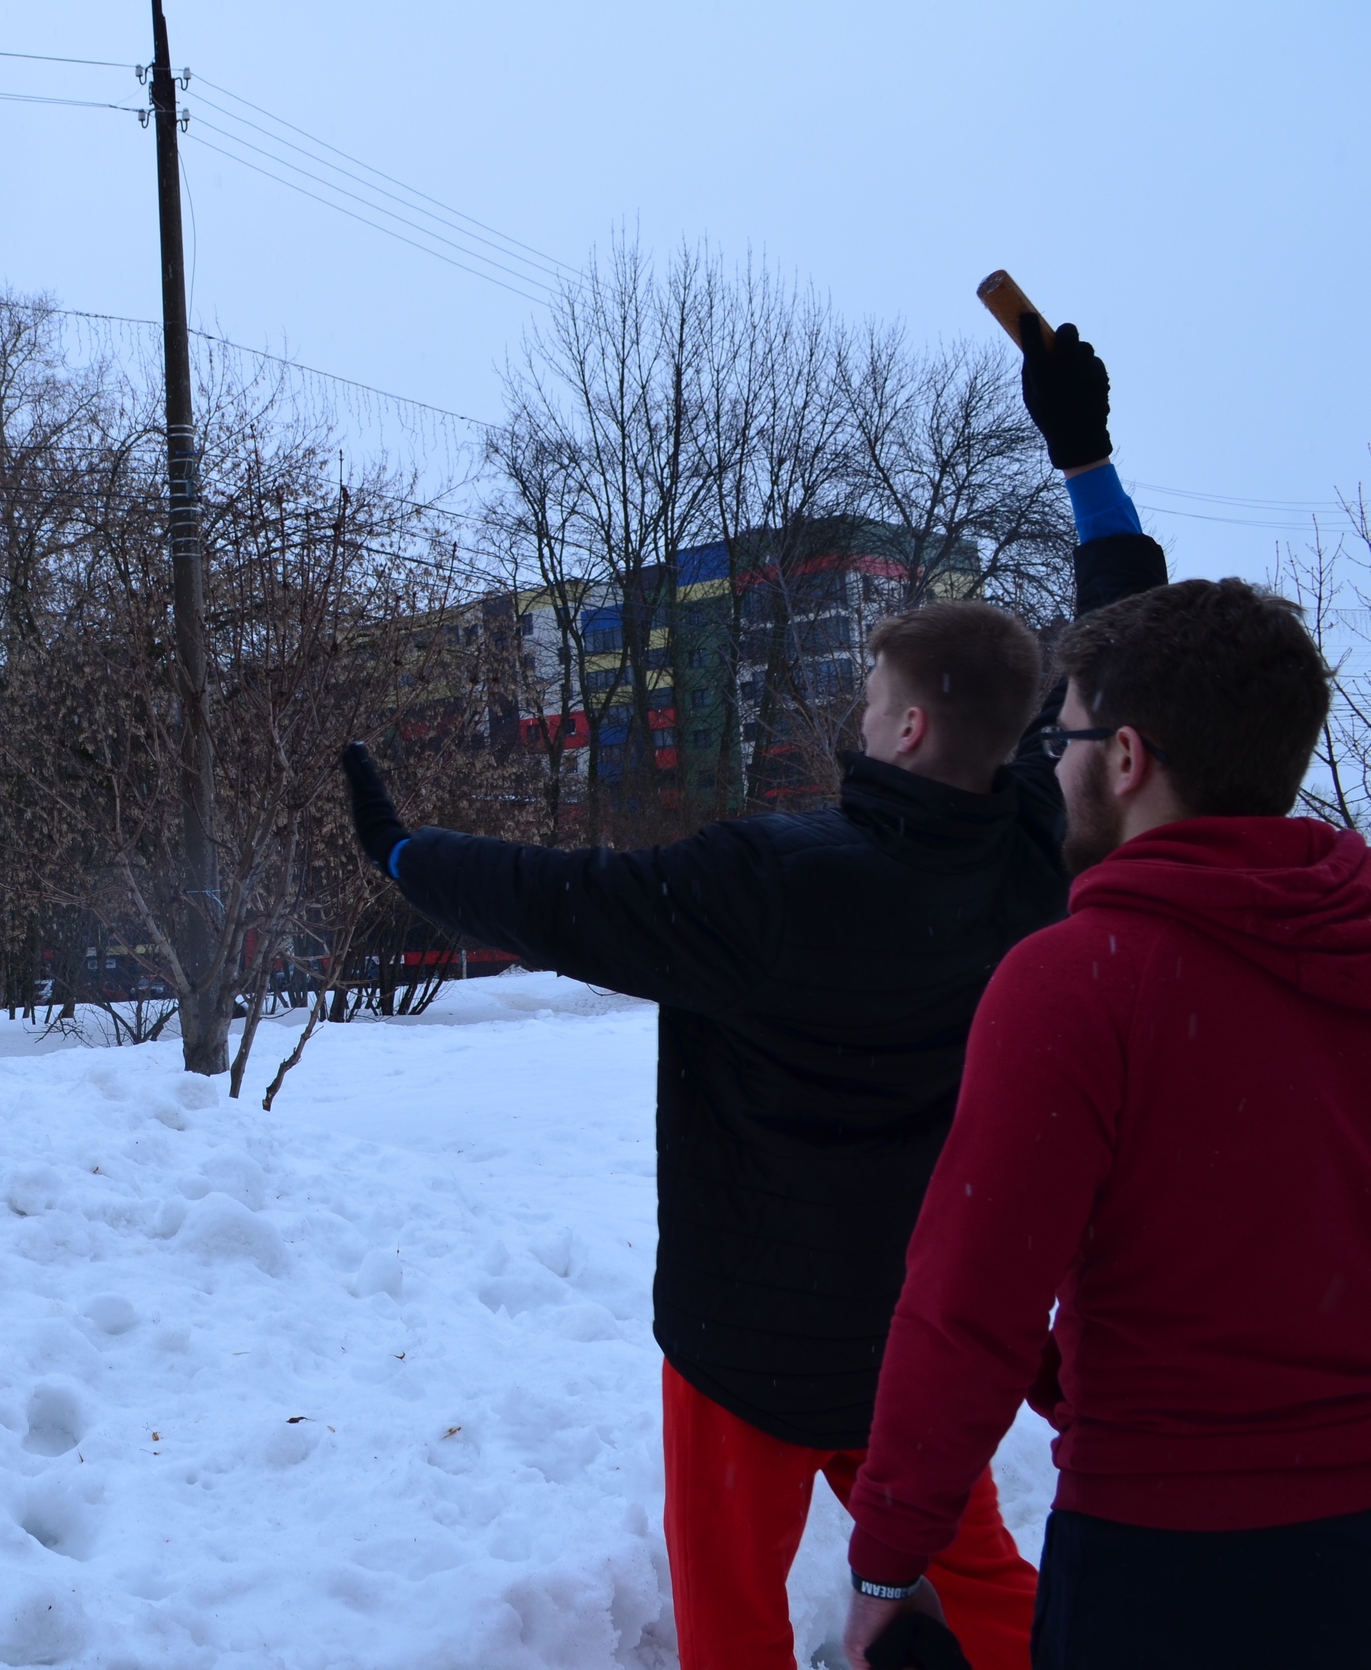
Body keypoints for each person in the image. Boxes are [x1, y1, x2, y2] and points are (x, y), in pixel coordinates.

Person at [337, 316, 1167, 1670]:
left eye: (871, 694)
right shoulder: (1036, 850)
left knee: (731, 1618)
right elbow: (1130, 644)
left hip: (748, 1355)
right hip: (920, 1342)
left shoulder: (765, 883)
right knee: (991, 1590)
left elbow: (555, 898)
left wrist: (401, 853)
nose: (855, 712)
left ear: (905, 727)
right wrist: (1085, 456)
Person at [839, 578, 1369, 1670]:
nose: (1052, 759)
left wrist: (889, 1561)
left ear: (1125, 760)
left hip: (1168, 1560)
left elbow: (967, 1306)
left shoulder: (1078, 981)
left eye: (1066, 733)